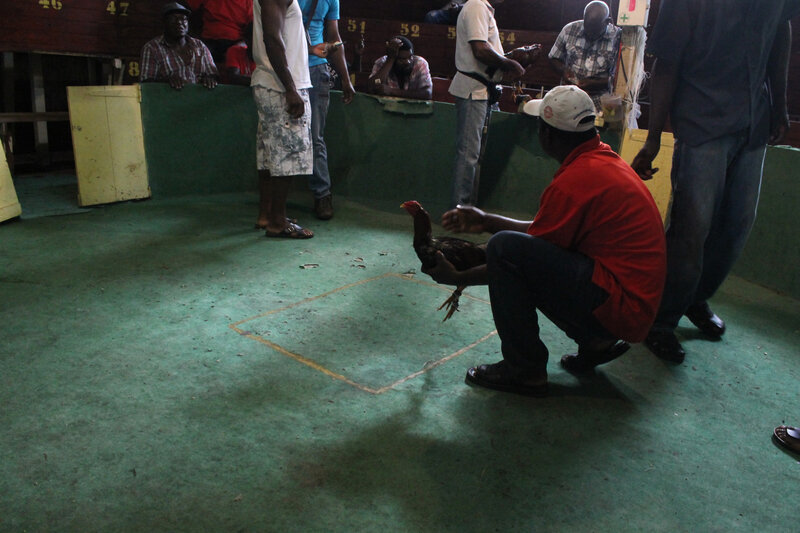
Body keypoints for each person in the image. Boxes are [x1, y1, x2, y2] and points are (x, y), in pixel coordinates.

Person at [423, 85, 666, 396]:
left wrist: (457, 277)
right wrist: (485, 221)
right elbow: (544, 236)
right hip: (631, 307)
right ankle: (596, 342)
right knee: (509, 248)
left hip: (622, 309)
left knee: (503, 249)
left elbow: (517, 257)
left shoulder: (577, 179)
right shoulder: (601, 161)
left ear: (548, 135)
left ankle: (524, 370)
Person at [630, 0, 799, 363]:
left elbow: (781, 30)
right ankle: (661, 319)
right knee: (692, 227)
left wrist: (780, 103)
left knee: (738, 223)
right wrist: (654, 136)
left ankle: (694, 297)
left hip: (755, 118)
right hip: (703, 118)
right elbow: (666, 63)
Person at [447, 0, 526, 208]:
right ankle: (459, 211)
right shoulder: (476, 6)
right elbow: (480, 50)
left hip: (483, 90)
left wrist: (511, 59)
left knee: (474, 155)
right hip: (473, 89)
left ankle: (467, 209)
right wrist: (510, 63)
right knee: (468, 154)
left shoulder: (484, 8)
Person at [251, 0, 315, 238]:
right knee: (286, 155)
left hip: (271, 82)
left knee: (269, 155)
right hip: (281, 86)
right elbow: (272, 38)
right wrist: (290, 87)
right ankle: (278, 221)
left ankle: (267, 214)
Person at [298, 0, 355, 221]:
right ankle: (276, 199)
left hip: (316, 68)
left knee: (315, 136)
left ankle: (322, 195)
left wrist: (345, 77)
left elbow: (334, 37)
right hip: (289, 65)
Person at [548, 0, 621, 111]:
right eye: (587, 29)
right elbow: (553, 58)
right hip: (568, 97)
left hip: (599, 102)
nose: (589, 35)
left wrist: (596, 83)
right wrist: (563, 70)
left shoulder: (617, 38)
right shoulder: (569, 30)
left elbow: (620, 79)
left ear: (607, 22)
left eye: (594, 31)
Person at [140, 2, 219, 90]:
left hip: (199, 99)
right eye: (173, 19)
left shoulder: (199, 45)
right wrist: (165, 81)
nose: (179, 23)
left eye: (183, 19)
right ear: (164, 23)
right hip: (169, 99)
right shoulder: (152, 48)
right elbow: (146, 83)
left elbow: (213, 74)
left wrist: (210, 79)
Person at [184, 0, 253, 65]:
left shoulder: (249, 2)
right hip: (210, 39)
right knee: (195, 56)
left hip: (236, 41)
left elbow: (253, 27)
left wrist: (242, 44)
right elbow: (186, 6)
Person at [368, 36, 433, 100]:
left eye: (410, 57)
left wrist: (392, 91)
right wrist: (390, 59)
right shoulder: (382, 62)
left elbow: (428, 93)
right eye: (401, 59)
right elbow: (373, 86)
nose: (408, 62)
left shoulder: (420, 63)